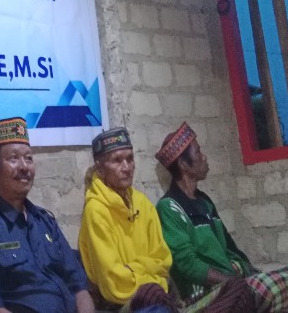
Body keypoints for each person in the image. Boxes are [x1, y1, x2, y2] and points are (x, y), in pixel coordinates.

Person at [155, 123, 288, 312]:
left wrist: (251, 274)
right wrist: (237, 284)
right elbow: (187, 265)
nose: (204, 157)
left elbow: (230, 249)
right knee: (277, 285)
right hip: (208, 296)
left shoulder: (204, 202)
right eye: (198, 152)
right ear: (183, 164)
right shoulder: (169, 208)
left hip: (237, 285)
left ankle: (272, 303)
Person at [79, 128, 254, 313]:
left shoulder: (142, 203)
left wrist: (134, 269)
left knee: (239, 290)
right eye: (117, 160)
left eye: (130, 158)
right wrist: (149, 271)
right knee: (154, 297)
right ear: (100, 168)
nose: (127, 167)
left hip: (160, 297)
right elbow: (115, 285)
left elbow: (163, 262)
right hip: (121, 305)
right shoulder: (95, 211)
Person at [0, 117, 95, 313]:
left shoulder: (44, 221)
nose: (24, 167)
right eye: (13, 158)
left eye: (28, 158)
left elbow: (79, 286)